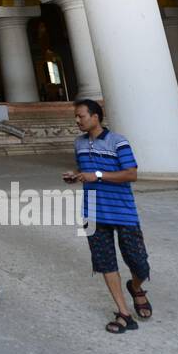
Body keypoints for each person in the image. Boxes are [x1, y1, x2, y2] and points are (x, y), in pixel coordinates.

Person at [62, 99, 153, 334]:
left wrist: (98, 175)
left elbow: (131, 173)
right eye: (76, 116)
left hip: (122, 211)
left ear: (95, 117)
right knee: (106, 263)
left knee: (139, 264)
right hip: (93, 212)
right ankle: (123, 312)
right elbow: (87, 172)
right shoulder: (79, 143)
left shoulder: (118, 141)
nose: (77, 120)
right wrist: (77, 176)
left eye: (81, 116)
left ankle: (136, 288)